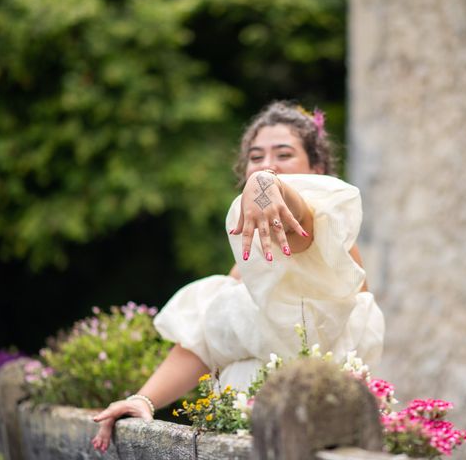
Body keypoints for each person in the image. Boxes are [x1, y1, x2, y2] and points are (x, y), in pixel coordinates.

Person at [91, 101, 385, 452]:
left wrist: (263, 181)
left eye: (284, 153)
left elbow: (300, 221)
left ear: (316, 166)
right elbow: (203, 345)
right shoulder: (244, 266)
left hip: (299, 443)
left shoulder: (324, 240)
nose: (268, 164)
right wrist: (145, 399)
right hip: (231, 444)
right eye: (256, 157)